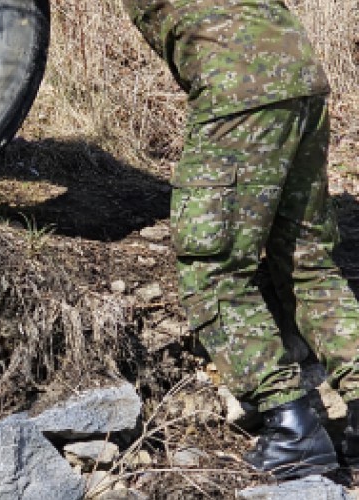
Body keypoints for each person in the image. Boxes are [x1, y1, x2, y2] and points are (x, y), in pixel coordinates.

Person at [122, 0, 359, 478]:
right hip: (299, 70)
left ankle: (290, 426)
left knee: (213, 266)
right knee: (307, 259)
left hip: (238, 84)